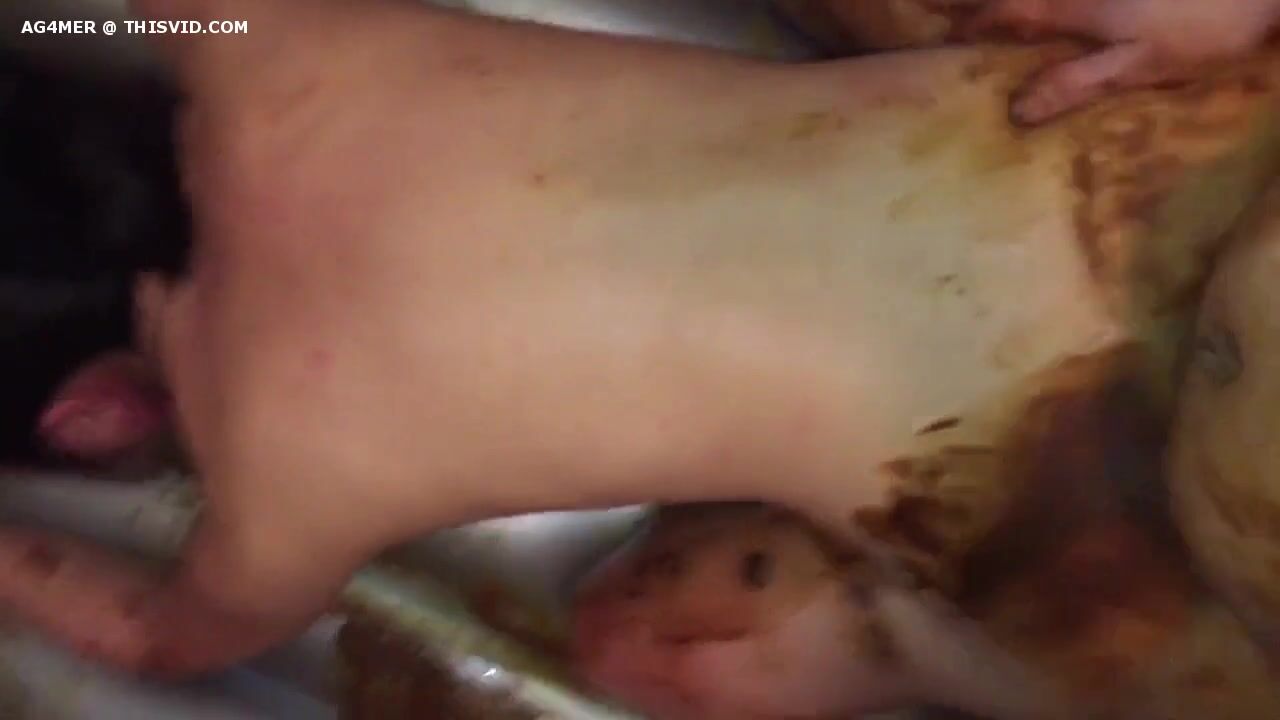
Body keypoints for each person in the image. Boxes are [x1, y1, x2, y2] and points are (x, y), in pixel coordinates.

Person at [0, 0, 1273, 682]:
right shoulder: (264, 40)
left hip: (1028, 466)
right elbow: (88, 16)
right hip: (1124, 142)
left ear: (92, 416)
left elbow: (156, 637)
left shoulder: (274, 504)